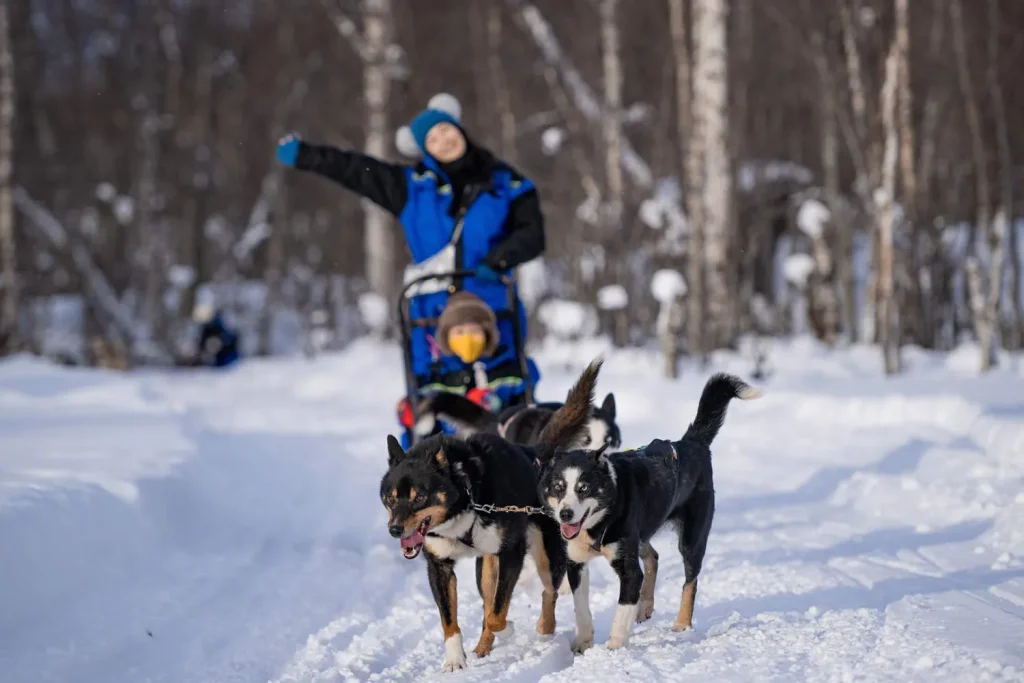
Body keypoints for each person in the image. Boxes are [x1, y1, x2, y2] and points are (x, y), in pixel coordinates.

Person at [275, 94, 544, 444]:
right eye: (432, 139)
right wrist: (308, 156)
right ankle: (432, 461)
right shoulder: (411, 187)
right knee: (433, 389)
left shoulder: (505, 182)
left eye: (446, 131)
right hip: (430, 312)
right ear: (424, 149)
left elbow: (533, 233)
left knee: (505, 384)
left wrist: (498, 261)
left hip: (491, 303)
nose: (444, 141)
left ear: (460, 129)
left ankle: (516, 456)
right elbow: (356, 170)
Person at [191, 304, 241, 368]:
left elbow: (231, 338)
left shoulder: (220, 326)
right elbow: (202, 341)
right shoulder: (205, 328)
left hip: (228, 358)